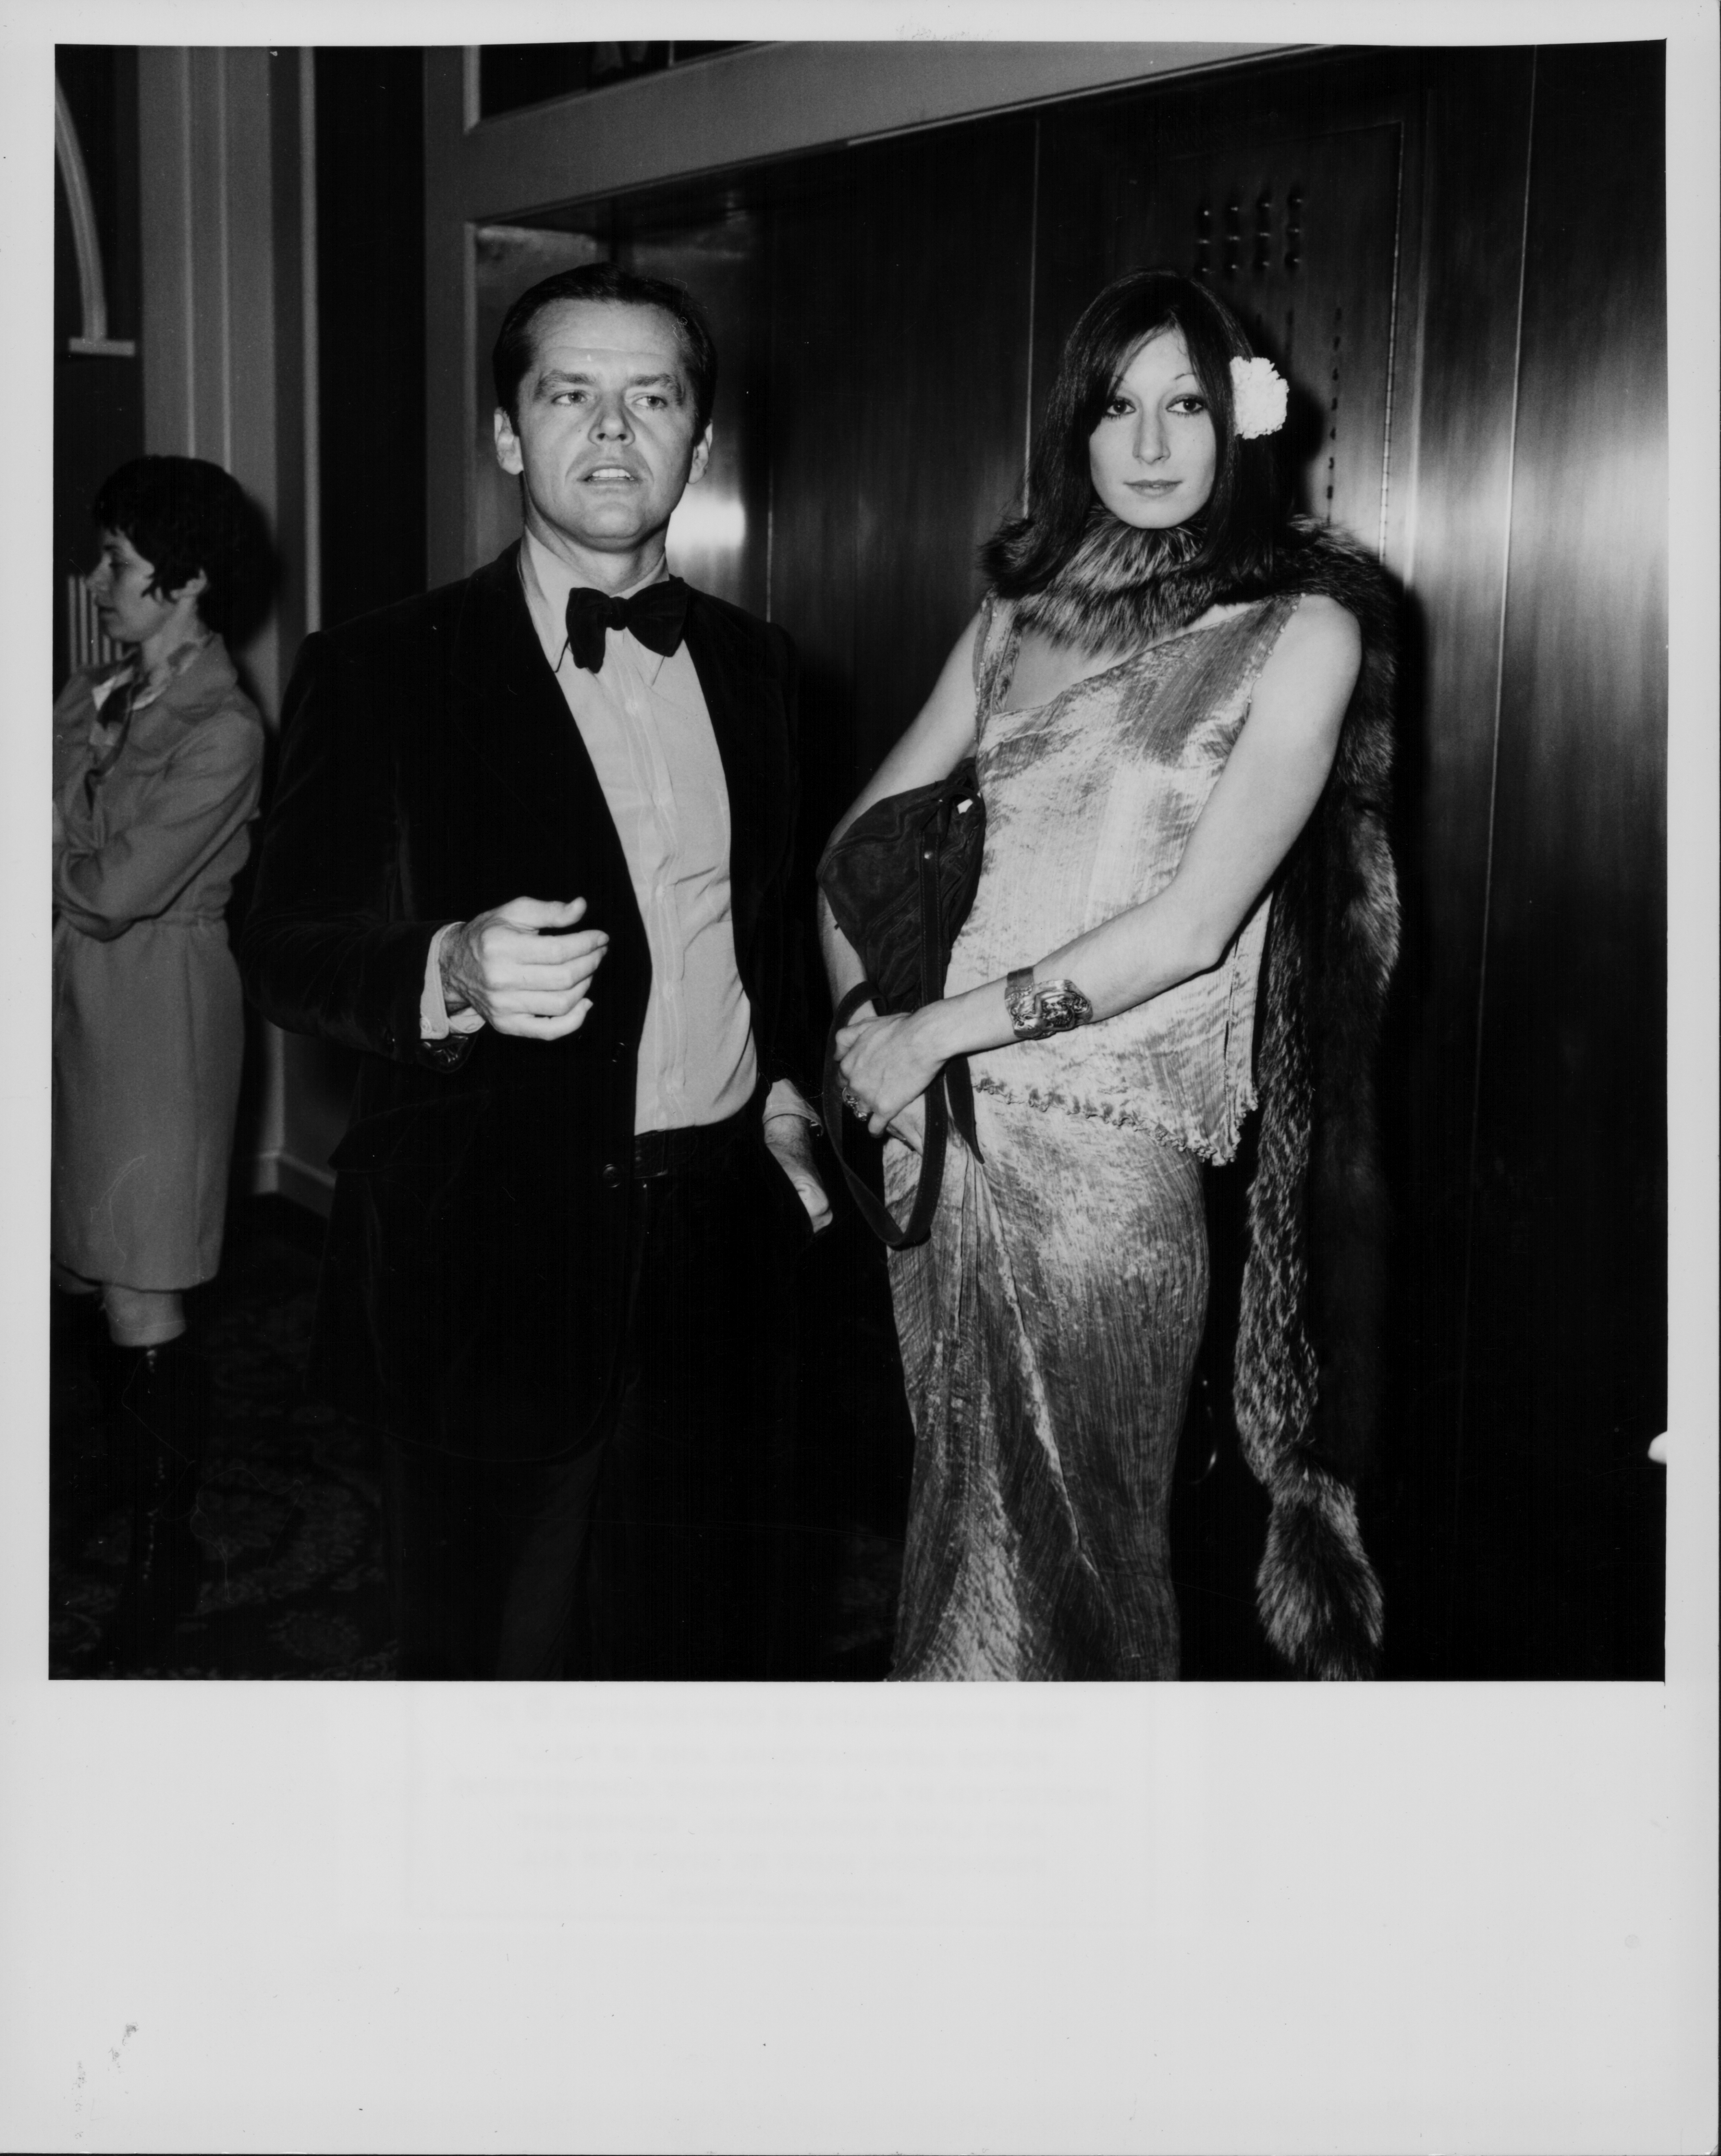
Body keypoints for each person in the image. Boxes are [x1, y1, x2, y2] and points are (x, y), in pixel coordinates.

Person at [241, 262, 829, 1681]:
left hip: (718, 1245)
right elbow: (278, 940)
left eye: (653, 398)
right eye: (572, 394)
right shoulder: (382, 667)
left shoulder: (767, 672)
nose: (614, 432)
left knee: (705, 1644)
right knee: (492, 1665)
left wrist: (793, 1108)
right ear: (510, 434)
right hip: (487, 1261)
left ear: (700, 440)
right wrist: (445, 964)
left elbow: (767, 932)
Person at [823, 269, 1398, 1681]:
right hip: (935, 1146)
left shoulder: (1300, 633)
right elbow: (856, 850)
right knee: (960, 1547)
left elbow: (1194, 926)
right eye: (1116, 407)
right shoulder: (1015, 620)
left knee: (1076, 1572)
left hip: (1105, 1170)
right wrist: (865, 1040)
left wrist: (931, 1034)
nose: (1148, 445)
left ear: (1241, 425)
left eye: (1185, 404)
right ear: (1075, 433)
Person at [53, 454, 268, 1673]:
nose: (96, 583)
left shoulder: (224, 726)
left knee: (142, 1284)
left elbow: (116, 886)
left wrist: (46, 843)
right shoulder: (104, 694)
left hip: (159, 1022)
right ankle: (122, 1490)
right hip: (83, 1007)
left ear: (184, 583)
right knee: (85, 1271)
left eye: (118, 565)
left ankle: (161, 1550)